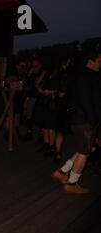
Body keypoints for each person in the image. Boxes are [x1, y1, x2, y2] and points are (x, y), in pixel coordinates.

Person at [51, 50, 101, 193]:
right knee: (85, 151)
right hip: (84, 120)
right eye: (99, 61)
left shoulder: (83, 75)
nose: (100, 64)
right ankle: (72, 183)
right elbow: (88, 101)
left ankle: (61, 172)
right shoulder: (87, 77)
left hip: (79, 118)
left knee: (82, 148)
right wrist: (93, 121)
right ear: (91, 61)